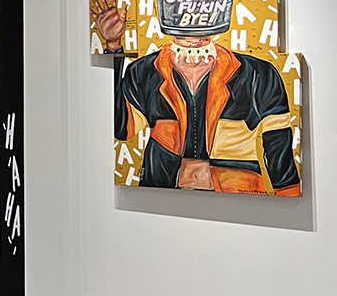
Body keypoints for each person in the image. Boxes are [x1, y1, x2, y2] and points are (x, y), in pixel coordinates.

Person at [109, 20, 300, 195]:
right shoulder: (144, 70)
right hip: (162, 194)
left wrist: (290, 199)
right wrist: (113, 48)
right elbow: (123, 129)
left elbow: (279, 150)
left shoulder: (258, 74)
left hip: (236, 198)